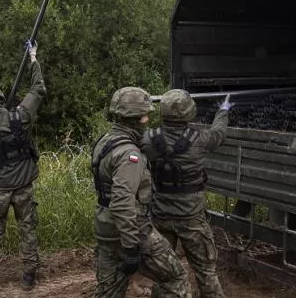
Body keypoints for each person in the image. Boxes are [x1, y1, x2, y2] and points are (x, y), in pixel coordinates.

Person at [91, 87, 191, 298]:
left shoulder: (104, 142)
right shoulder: (129, 155)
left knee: (109, 292)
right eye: (146, 115)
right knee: (176, 278)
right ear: (139, 119)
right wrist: (131, 247)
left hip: (105, 229)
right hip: (132, 230)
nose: (148, 119)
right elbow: (121, 202)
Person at [142, 90, 231, 298]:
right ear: (189, 113)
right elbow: (219, 134)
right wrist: (223, 111)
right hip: (191, 219)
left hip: (161, 216)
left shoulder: (148, 140)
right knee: (206, 273)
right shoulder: (200, 139)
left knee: (164, 274)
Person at [0, 41, 46, 296]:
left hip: (0, 190)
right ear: (1, 99)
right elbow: (38, 88)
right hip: (24, 188)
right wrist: (33, 58)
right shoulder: (23, 115)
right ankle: (28, 277)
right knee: (28, 230)